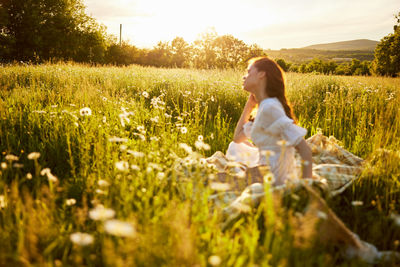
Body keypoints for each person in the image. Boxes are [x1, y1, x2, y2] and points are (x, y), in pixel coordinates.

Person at [213, 56, 398, 264]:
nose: (244, 75)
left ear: (262, 74)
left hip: (281, 178)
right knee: (235, 149)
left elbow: (304, 148)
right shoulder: (265, 106)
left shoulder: (271, 108)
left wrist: (306, 182)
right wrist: (249, 104)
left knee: (299, 208)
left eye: (248, 71)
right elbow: (238, 137)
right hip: (268, 172)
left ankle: (354, 251)